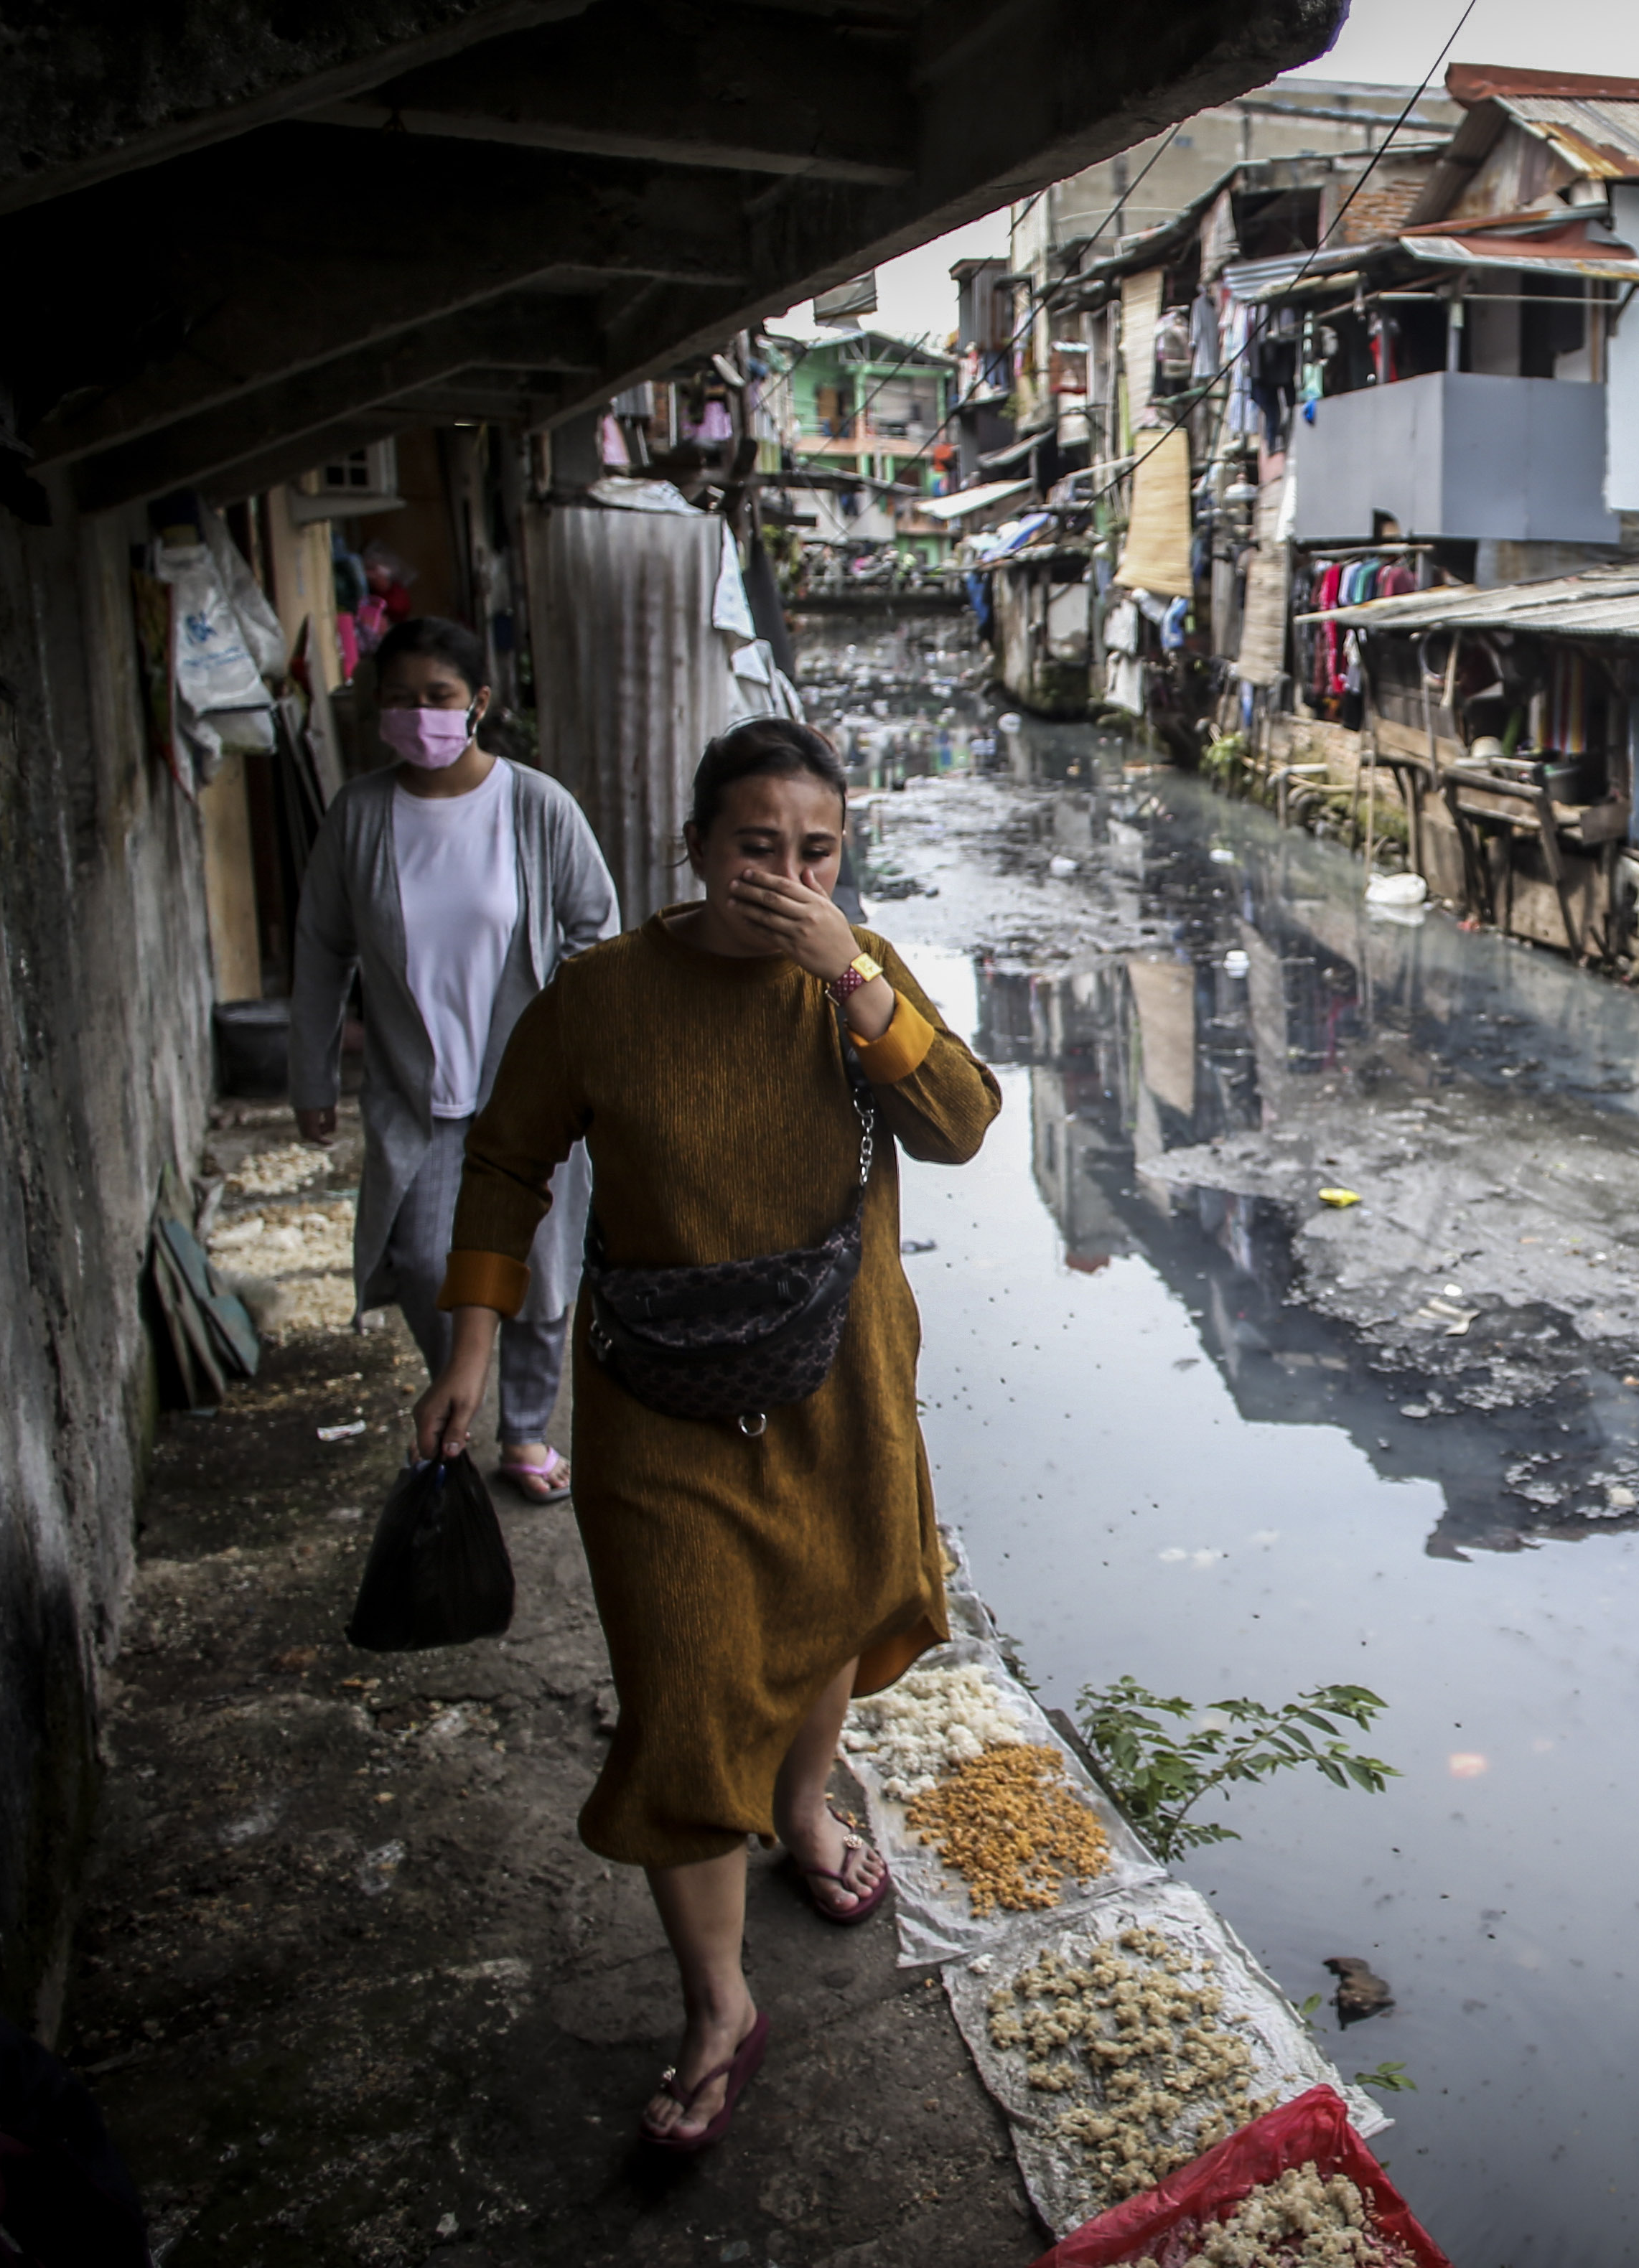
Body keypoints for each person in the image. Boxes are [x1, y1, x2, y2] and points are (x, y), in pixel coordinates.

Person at [413, 718, 1002, 2153]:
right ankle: (720, 2006)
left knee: (824, 1605)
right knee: (681, 1690)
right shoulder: (603, 996)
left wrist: (851, 977)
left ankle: (803, 1811)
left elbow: (961, 1124)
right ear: (693, 850)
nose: (787, 878)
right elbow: (506, 1159)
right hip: (658, 1402)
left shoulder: (852, 977)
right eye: (756, 847)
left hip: (837, 1378)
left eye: (817, 852)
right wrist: (473, 1348)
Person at [290, 617, 619, 1501]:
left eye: (437, 697)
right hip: (418, 1093)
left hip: (531, 1094)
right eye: (398, 699)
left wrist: (578, 1046)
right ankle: (457, 1392)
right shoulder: (360, 815)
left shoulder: (537, 807)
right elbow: (322, 949)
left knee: (542, 1271)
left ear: (478, 703)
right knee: (426, 1262)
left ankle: (525, 1432)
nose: (418, 714)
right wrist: (311, 1076)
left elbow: (595, 928)